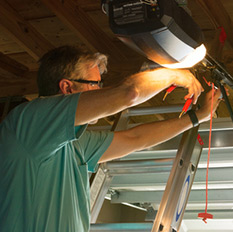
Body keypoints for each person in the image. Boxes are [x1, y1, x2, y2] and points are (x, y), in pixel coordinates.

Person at [0, 46, 222, 232]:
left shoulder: (75, 143)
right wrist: (174, 75)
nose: (100, 91)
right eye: (95, 84)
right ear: (67, 87)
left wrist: (196, 117)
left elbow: (135, 138)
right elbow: (129, 93)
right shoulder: (28, 123)